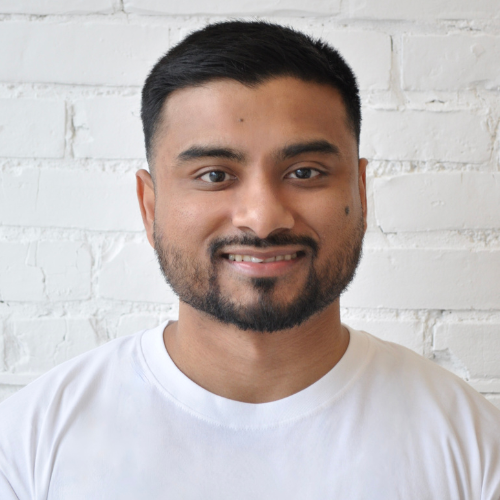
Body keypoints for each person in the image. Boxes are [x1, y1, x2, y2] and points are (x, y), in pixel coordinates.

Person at [0, 20, 499, 500]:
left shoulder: (474, 445)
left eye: (305, 172)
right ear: (150, 207)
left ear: (361, 194)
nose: (262, 220)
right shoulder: (29, 444)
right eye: (214, 175)